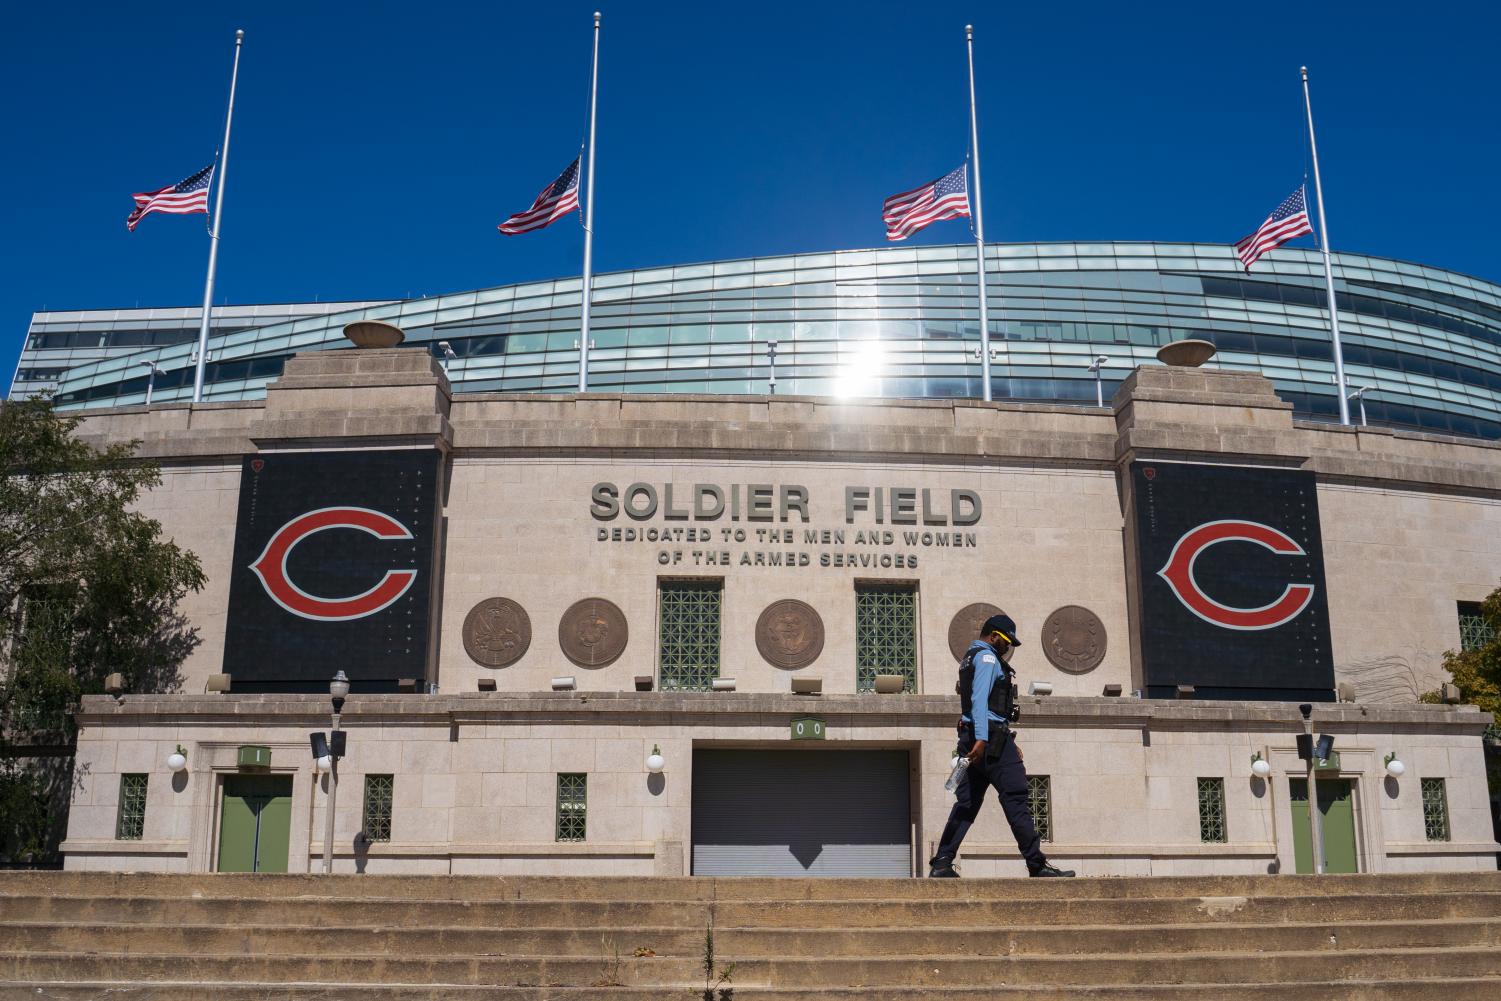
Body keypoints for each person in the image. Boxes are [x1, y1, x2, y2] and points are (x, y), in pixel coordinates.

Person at [929, 613, 1075, 878]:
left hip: (977, 737)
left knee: (967, 803)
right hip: (988, 739)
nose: (1008, 648)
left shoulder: (968, 658)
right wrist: (985, 739)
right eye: (1007, 642)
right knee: (1017, 797)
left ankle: (942, 861)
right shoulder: (986, 658)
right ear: (994, 636)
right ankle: (1037, 864)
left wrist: (1000, 738)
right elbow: (980, 701)